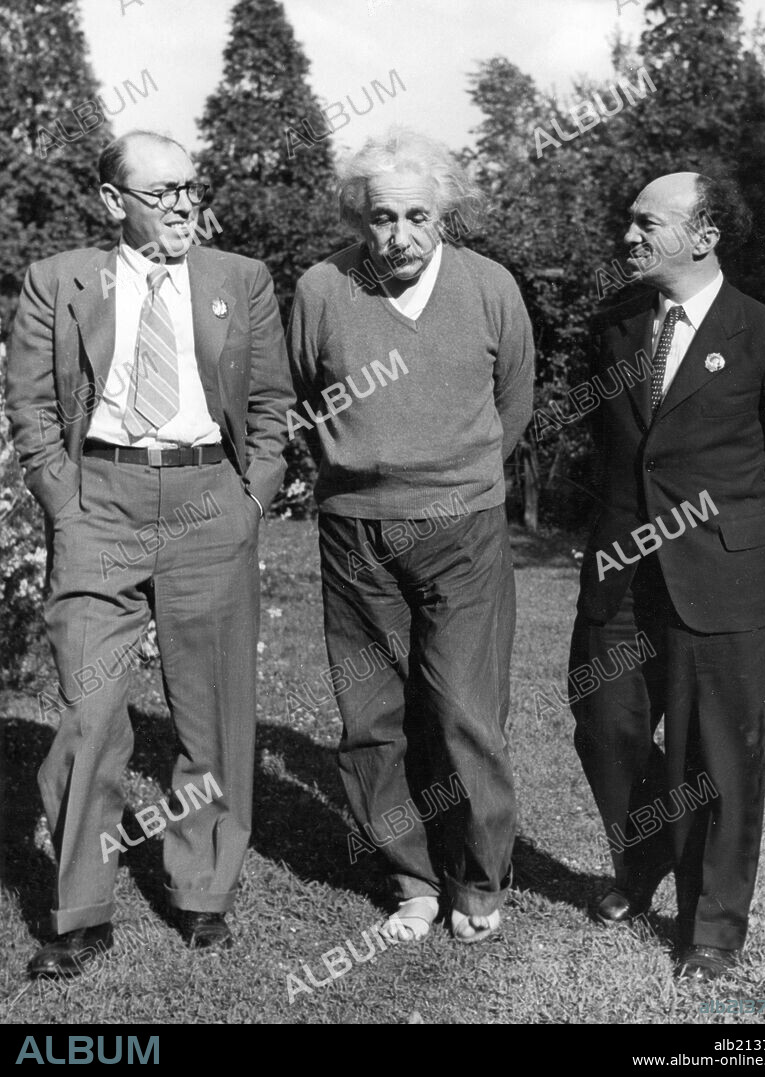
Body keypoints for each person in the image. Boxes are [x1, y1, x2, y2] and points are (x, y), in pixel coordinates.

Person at [5, 130, 294, 976]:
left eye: (189, 187)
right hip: (100, 501)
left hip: (210, 502)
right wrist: (64, 499)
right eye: (160, 191)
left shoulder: (240, 279)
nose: (180, 204)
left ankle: (202, 889)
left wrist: (250, 501)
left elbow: (273, 403)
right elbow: (27, 403)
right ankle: (80, 908)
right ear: (110, 202)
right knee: (89, 710)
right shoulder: (59, 280)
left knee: (211, 708)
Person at [287, 128, 534, 943]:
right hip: (357, 533)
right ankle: (410, 875)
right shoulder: (322, 288)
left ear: (446, 213)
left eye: (418, 214)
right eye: (382, 217)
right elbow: (301, 394)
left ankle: (479, 873)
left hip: (461, 526)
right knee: (373, 711)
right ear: (360, 218)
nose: (399, 236)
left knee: (465, 707)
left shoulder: (490, 286)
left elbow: (515, 403)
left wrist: (456, 482)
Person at [570, 172, 765, 980]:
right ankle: (641, 866)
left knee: (720, 755)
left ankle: (712, 924)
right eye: (628, 222)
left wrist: (736, 546)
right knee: (606, 725)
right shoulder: (613, 325)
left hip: (721, 576)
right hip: (619, 573)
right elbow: (597, 451)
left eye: (647, 224)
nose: (628, 238)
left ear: (705, 234)